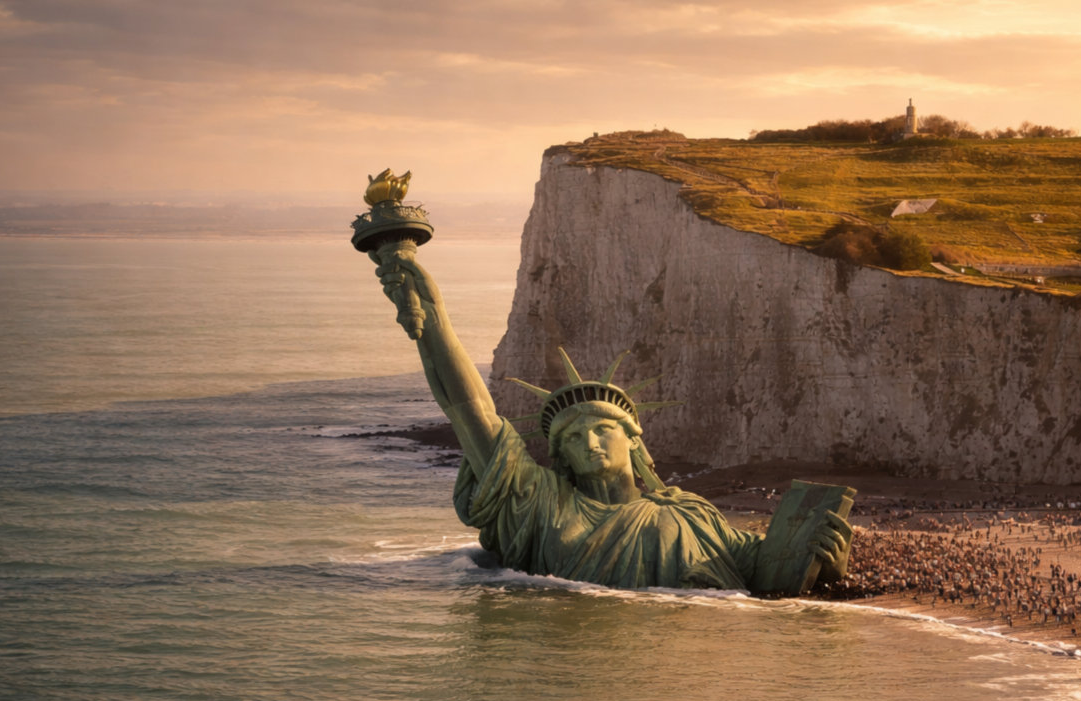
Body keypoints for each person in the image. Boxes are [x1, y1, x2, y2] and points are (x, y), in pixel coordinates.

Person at [363, 233, 851, 592]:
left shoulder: (694, 513)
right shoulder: (542, 506)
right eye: (572, 440)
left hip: (690, 673)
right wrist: (434, 320)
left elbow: (766, 572)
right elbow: (471, 412)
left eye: (601, 429)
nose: (589, 443)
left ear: (634, 438)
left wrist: (824, 557)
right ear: (560, 458)